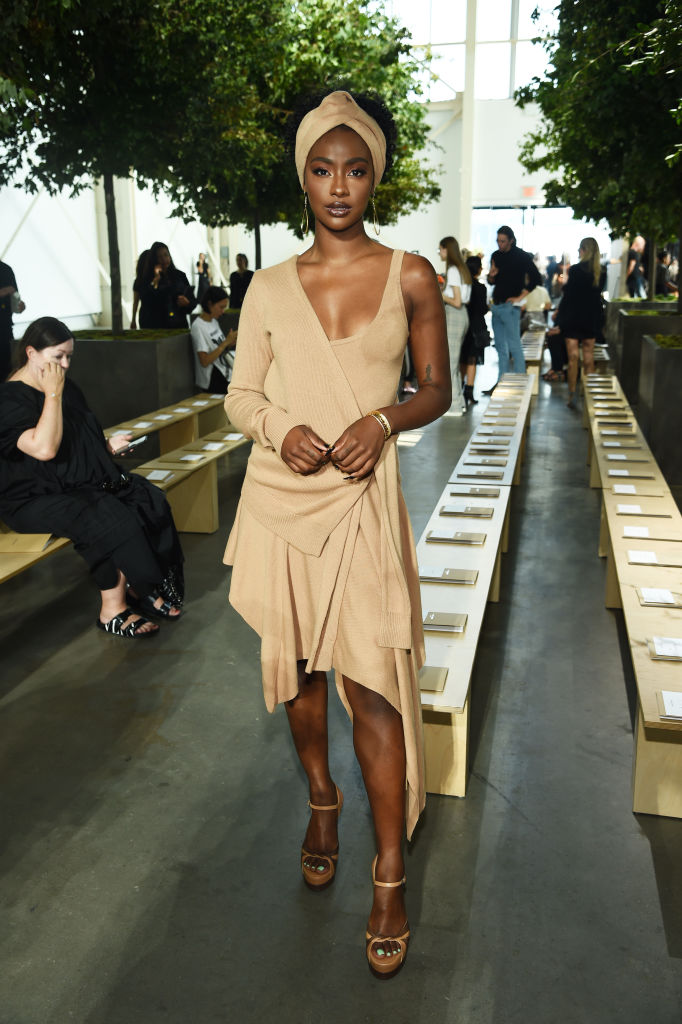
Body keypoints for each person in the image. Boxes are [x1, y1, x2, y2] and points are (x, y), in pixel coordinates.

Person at [223, 89, 450, 977]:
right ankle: (323, 799)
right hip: (286, 501)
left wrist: (384, 422)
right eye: (323, 169)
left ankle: (388, 875)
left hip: (362, 506)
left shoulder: (411, 275)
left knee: (379, 688)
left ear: (376, 177)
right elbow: (242, 397)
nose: (339, 185)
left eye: (356, 169)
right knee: (303, 679)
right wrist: (283, 431)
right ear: (303, 178)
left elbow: (435, 388)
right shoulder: (269, 287)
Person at [0, 317, 184, 637]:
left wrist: (105, 448)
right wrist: (52, 395)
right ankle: (112, 609)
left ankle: (142, 586)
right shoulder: (10, 398)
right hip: (29, 497)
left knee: (145, 498)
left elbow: (77, 440)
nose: (65, 364)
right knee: (103, 512)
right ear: (31, 352)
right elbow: (44, 449)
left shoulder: (63, 386)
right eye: (58, 356)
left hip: (67, 483)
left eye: (69, 356)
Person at [484, 225, 542, 394]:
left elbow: (536, 279)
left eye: (503, 241)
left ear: (511, 240)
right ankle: (501, 383)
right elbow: (492, 282)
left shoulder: (522, 256)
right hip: (497, 306)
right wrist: (491, 276)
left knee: (514, 345)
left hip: (510, 308)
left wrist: (519, 297)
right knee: (501, 347)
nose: (499, 244)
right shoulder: (496, 256)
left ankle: (520, 383)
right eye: (497, 241)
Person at [555, 237, 604, 409]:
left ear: (584, 250)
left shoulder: (575, 270)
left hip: (574, 318)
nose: (577, 252)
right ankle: (590, 395)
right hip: (590, 318)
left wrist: (559, 316)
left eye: (579, 249)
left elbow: (569, 296)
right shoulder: (600, 271)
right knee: (589, 357)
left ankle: (572, 394)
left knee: (573, 357)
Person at [439, 235, 471, 415]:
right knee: (454, 360)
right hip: (463, 315)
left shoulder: (452, 269)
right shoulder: (462, 268)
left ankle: (454, 406)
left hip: (455, 314)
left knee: (450, 362)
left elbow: (456, 301)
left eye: (440, 250)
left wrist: (439, 292)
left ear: (446, 249)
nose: (440, 253)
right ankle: (459, 401)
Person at [134, 242, 197, 329]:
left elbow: (192, 299)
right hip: (156, 326)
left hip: (178, 323)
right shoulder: (146, 279)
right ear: (154, 260)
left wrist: (187, 303)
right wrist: (155, 280)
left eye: (166, 255)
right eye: (159, 257)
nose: (164, 259)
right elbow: (146, 301)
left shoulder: (180, 276)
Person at [190, 285, 237, 394]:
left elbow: (219, 348)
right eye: (221, 307)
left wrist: (230, 343)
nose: (222, 311)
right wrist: (225, 343)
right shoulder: (198, 326)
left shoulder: (213, 321)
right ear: (210, 304)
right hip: (213, 379)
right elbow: (204, 361)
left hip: (224, 373)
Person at [459, 254, 489, 407]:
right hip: (477, 327)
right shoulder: (481, 288)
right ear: (478, 269)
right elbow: (483, 309)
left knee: (462, 359)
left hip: (463, 326)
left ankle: (460, 390)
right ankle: (469, 392)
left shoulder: (463, 286)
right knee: (472, 360)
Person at [0, 259, 26, 381]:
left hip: (4, 329)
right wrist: (4, 291)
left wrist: (19, 306)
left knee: (5, 368)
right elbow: (8, 291)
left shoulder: (6, 270)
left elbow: (15, 299)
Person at [130, 249, 150, 329]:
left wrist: (133, 319)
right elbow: (135, 302)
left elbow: (135, 302)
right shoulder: (139, 281)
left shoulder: (138, 281)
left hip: (144, 315)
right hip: (145, 316)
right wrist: (133, 320)